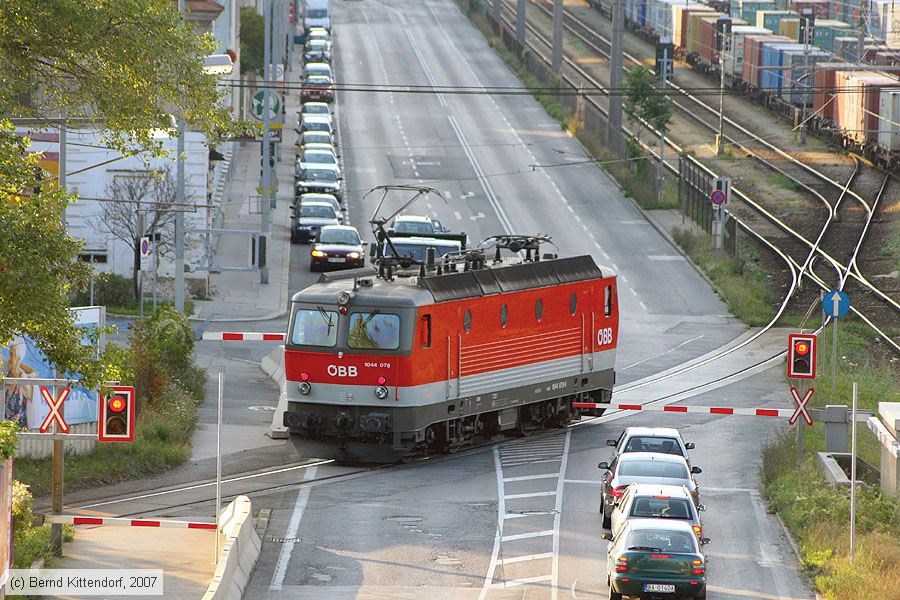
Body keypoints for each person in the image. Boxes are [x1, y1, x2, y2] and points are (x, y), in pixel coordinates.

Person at [4, 339, 36, 428]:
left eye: (12, 354)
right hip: (4, 428)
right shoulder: (7, 374)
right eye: (9, 354)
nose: (9, 358)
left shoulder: (22, 376)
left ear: (18, 357)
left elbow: (31, 395)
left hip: (18, 428)